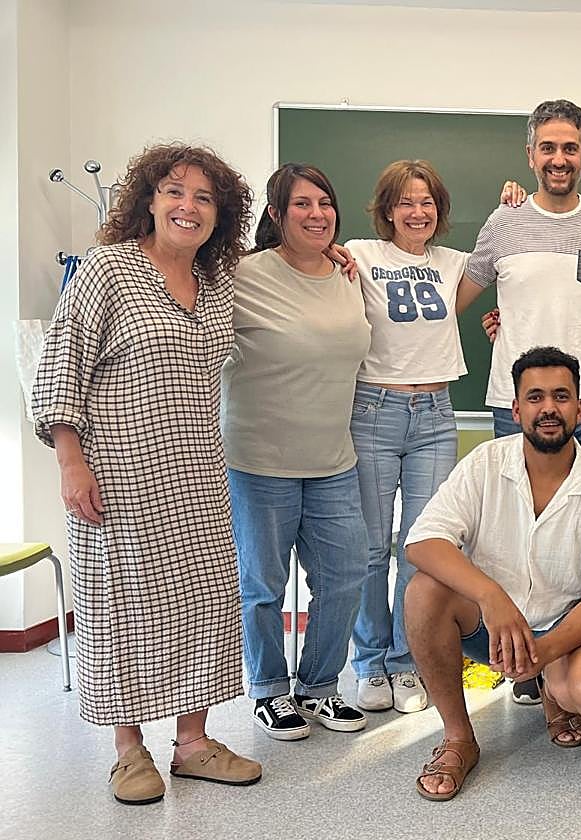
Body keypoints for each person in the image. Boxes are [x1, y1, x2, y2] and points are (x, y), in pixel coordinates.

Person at [32, 143, 262, 804]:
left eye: (204, 198)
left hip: (195, 475)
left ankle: (193, 743)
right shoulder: (108, 268)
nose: (188, 207)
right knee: (120, 607)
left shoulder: (217, 284)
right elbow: (61, 366)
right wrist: (70, 462)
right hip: (118, 477)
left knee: (206, 602)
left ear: (220, 215)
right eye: (174, 191)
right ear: (149, 200)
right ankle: (129, 750)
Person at [402, 347, 581, 801]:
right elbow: (422, 541)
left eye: (562, 397)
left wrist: (543, 652)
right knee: (423, 591)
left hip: (565, 631)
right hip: (489, 625)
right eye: (536, 397)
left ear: (580, 410)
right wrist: (492, 597)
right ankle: (458, 739)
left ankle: (552, 688)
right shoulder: (484, 463)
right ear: (516, 409)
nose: (549, 408)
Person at [466, 98, 581, 705]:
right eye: (548, 147)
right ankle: (525, 665)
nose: (559, 159)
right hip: (517, 408)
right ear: (530, 155)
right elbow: (455, 295)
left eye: (570, 148)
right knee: (514, 540)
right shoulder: (503, 222)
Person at [222, 163, 372, 740]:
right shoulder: (242, 275)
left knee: (344, 576)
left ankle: (318, 687)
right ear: (276, 215)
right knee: (262, 586)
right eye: (302, 205)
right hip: (260, 462)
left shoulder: (347, 274)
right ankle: (267, 689)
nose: (317, 215)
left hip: (333, 459)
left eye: (325, 203)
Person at [344, 160, 498, 715]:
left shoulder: (455, 264)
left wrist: (509, 199)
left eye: (427, 202)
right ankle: (369, 661)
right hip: (374, 409)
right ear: (387, 210)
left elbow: (502, 252)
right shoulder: (359, 255)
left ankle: (408, 662)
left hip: (436, 413)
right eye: (406, 202)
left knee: (422, 546)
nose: (418, 212)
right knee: (368, 549)